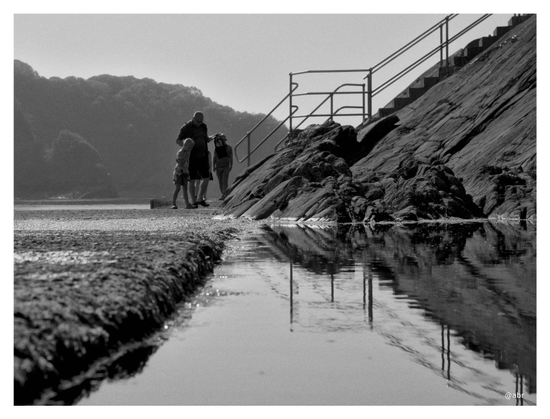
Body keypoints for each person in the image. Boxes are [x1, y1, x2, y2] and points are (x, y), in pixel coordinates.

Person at [176, 111, 213, 207]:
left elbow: (206, 138)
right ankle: (193, 201)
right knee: (192, 179)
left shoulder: (204, 126)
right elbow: (178, 140)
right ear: (193, 118)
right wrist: (185, 148)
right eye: (198, 122)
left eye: (201, 121)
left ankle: (200, 198)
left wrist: (211, 138)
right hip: (191, 157)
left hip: (203, 155)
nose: (200, 123)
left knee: (206, 177)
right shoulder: (186, 127)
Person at [172, 138, 195, 209]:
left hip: (185, 172)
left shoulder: (187, 153)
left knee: (185, 189)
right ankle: (173, 203)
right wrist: (186, 157)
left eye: (191, 148)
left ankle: (187, 204)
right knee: (178, 188)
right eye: (189, 147)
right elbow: (180, 163)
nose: (190, 149)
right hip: (179, 172)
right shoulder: (180, 153)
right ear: (185, 145)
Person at [212, 133, 233, 199]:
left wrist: (231, 166)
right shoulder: (216, 149)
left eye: (223, 140)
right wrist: (213, 166)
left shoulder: (229, 148)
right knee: (220, 181)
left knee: (225, 180)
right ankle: (223, 194)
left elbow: (231, 157)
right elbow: (214, 157)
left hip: (226, 166)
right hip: (218, 167)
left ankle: (225, 194)